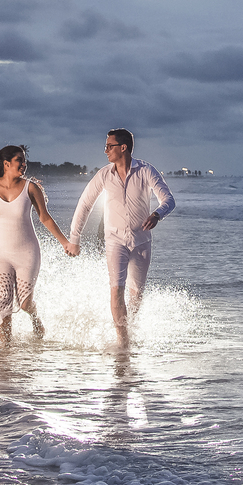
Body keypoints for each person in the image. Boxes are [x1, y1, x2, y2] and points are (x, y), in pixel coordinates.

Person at [65, 128, 174, 347]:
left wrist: (157, 214)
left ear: (122, 148)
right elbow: (85, 204)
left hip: (142, 241)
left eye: (109, 146)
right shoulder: (104, 174)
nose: (105, 150)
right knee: (116, 288)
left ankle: (128, 327)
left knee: (136, 294)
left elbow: (168, 200)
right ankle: (122, 341)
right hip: (114, 240)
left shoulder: (146, 170)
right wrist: (74, 238)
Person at [0, 145, 74, 342]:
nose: (24, 164)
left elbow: (45, 218)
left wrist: (65, 243)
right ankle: (6, 352)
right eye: (20, 160)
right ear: (6, 163)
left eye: (24, 160)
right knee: (4, 302)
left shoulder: (30, 188)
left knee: (25, 303)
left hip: (27, 252)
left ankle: (35, 319)